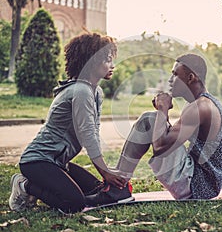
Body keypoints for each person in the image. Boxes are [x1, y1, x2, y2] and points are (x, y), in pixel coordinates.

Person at [9, 32, 134, 214]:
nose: (112, 65)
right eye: (107, 59)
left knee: (97, 190)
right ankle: (25, 185)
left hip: (59, 162)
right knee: (74, 203)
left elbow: (94, 131)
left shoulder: (95, 91)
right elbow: (87, 135)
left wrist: (106, 170)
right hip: (37, 161)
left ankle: (48, 183)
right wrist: (105, 171)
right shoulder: (80, 91)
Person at [115, 53, 222, 200]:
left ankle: (117, 186)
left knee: (148, 120)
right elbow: (170, 138)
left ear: (190, 78)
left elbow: (160, 147)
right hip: (203, 184)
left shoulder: (200, 107)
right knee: (153, 120)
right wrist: (162, 116)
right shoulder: (204, 103)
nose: (170, 80)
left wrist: (162, 109)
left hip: (198, 187)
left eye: (175, 75)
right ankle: (117, 183)